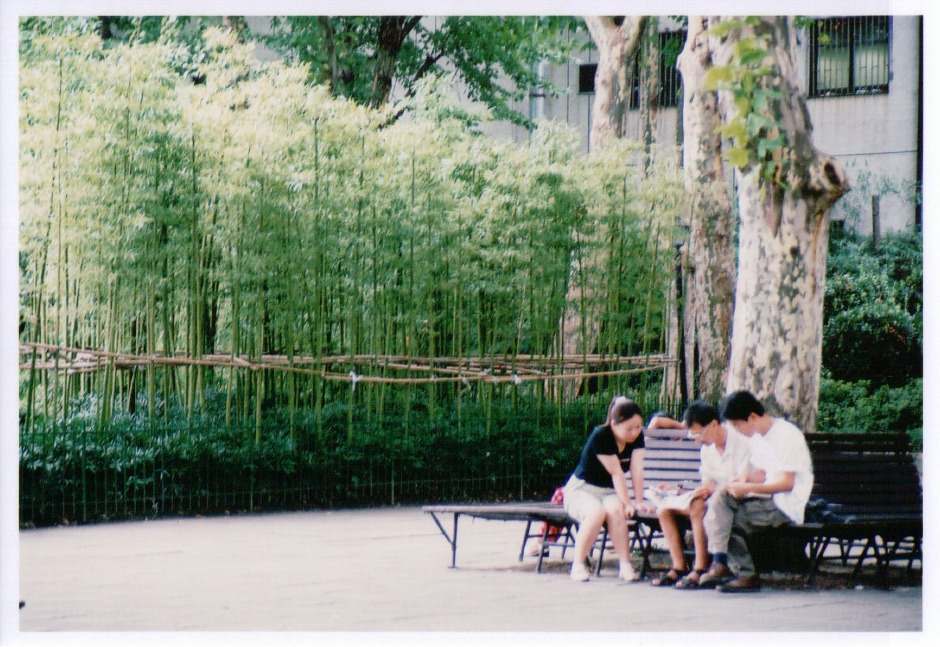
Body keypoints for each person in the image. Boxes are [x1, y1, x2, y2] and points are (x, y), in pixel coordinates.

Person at [697, 390, 814, 593]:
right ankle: (720, 561)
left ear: (751, 417)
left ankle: (745, 574)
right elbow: (762, 473)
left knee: (730, 519)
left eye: (737, 425)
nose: (737, 431)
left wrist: (748, 487)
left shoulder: (787, 435)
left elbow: (787, 483)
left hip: (785, 504)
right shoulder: (757, 437)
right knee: (720, 500)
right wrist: (744, 478)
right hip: (765, 499)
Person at [649, 401, 752, 589]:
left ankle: (700, 567)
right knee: (664, 510)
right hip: (715, 498)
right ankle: (679, 567)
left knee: (697, 505)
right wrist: (695, 491)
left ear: (713, 424)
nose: (697, 439)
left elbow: (742, 481)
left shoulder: (741, 443)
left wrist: (708, 492)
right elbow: (708, 483)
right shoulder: (707, 450)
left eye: (698, 434)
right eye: (693, 435)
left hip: (737, 499)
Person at [562, 395, 655, 582]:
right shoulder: (601, 436)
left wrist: (638, 502)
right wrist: (627, 503)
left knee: (616, 512)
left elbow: (637, 469)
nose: (635, 432)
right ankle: (578, 566)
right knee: (596, 513)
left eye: (638, 427)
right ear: (614, 424)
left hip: (608, 491)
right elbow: (617, 473)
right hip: (582, 489)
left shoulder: (637, 437)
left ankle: (625, 566)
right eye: (629, 428)